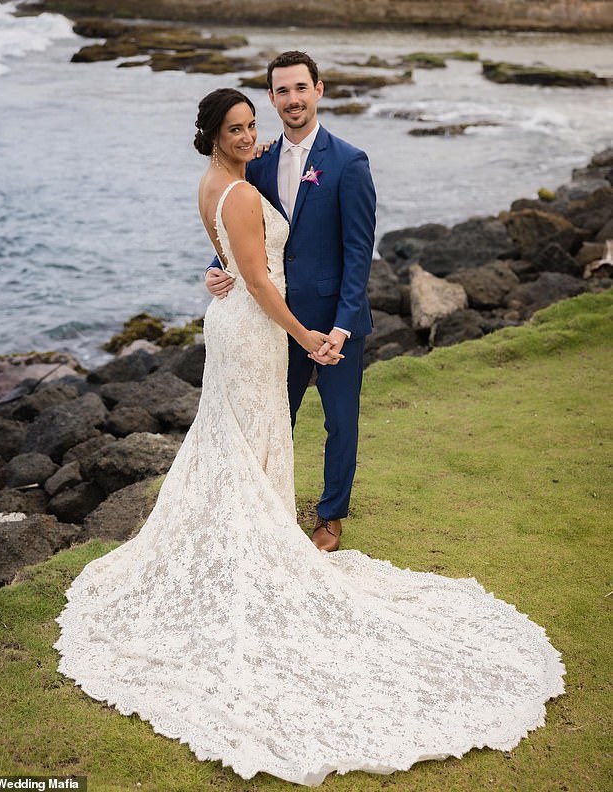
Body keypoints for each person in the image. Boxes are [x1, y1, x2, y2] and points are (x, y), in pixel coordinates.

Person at [54, 87, 564, 787]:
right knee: (246, 432)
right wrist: (306, 337)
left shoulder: (224, 182)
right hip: (259, 327)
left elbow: (242, 257)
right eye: (235, 127)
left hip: (235, 324)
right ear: (210, 132)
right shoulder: (236, 191)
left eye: (251, 124)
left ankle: (262, 528)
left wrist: (232, 255)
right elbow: (259, 280)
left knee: (238, 435)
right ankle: (251, 545)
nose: (248, 134)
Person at [206, 51, 377, 552]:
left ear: (318, 90)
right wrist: (216, 270)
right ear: (272, 98)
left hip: (337, 324)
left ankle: (330, 517)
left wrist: (342, 327)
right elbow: (239, 235)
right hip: (275, 321)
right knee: (277, 417)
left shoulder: (349, 162)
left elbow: (358, 253)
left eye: (300, 88)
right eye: (282, 91)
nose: (292, 99)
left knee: (341, 423)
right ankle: (263, 514)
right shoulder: (255, 164)